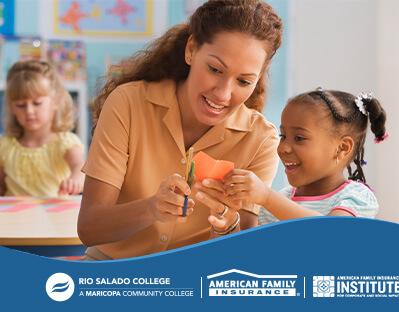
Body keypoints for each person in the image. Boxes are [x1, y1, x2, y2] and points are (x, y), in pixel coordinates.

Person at [78, 0, 283, 260]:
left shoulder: (261, 139)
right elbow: (90, 228)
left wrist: (226, 223)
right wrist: (151, 208)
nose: (223, 94)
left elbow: (239, 257)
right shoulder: (128, 103)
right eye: (215, 69)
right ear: (191, 50)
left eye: (243, 81)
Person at [223, 88, 388, 223]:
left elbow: (333, 234)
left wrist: (267, 197)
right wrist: (226, 221)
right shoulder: (278, 202)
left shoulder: (356, 197)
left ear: (342, 148)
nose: (283, 148)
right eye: (283, 136)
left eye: (299, 138)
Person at [0, 60, 84, 197]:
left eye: (37, 103)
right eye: (21, 105)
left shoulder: (65, 142)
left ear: (56, 101)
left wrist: (75, 180)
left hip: (53, 216)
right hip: (13, 217)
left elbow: (79, 166)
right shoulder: (4, 146)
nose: (29, 111)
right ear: (11, 108)